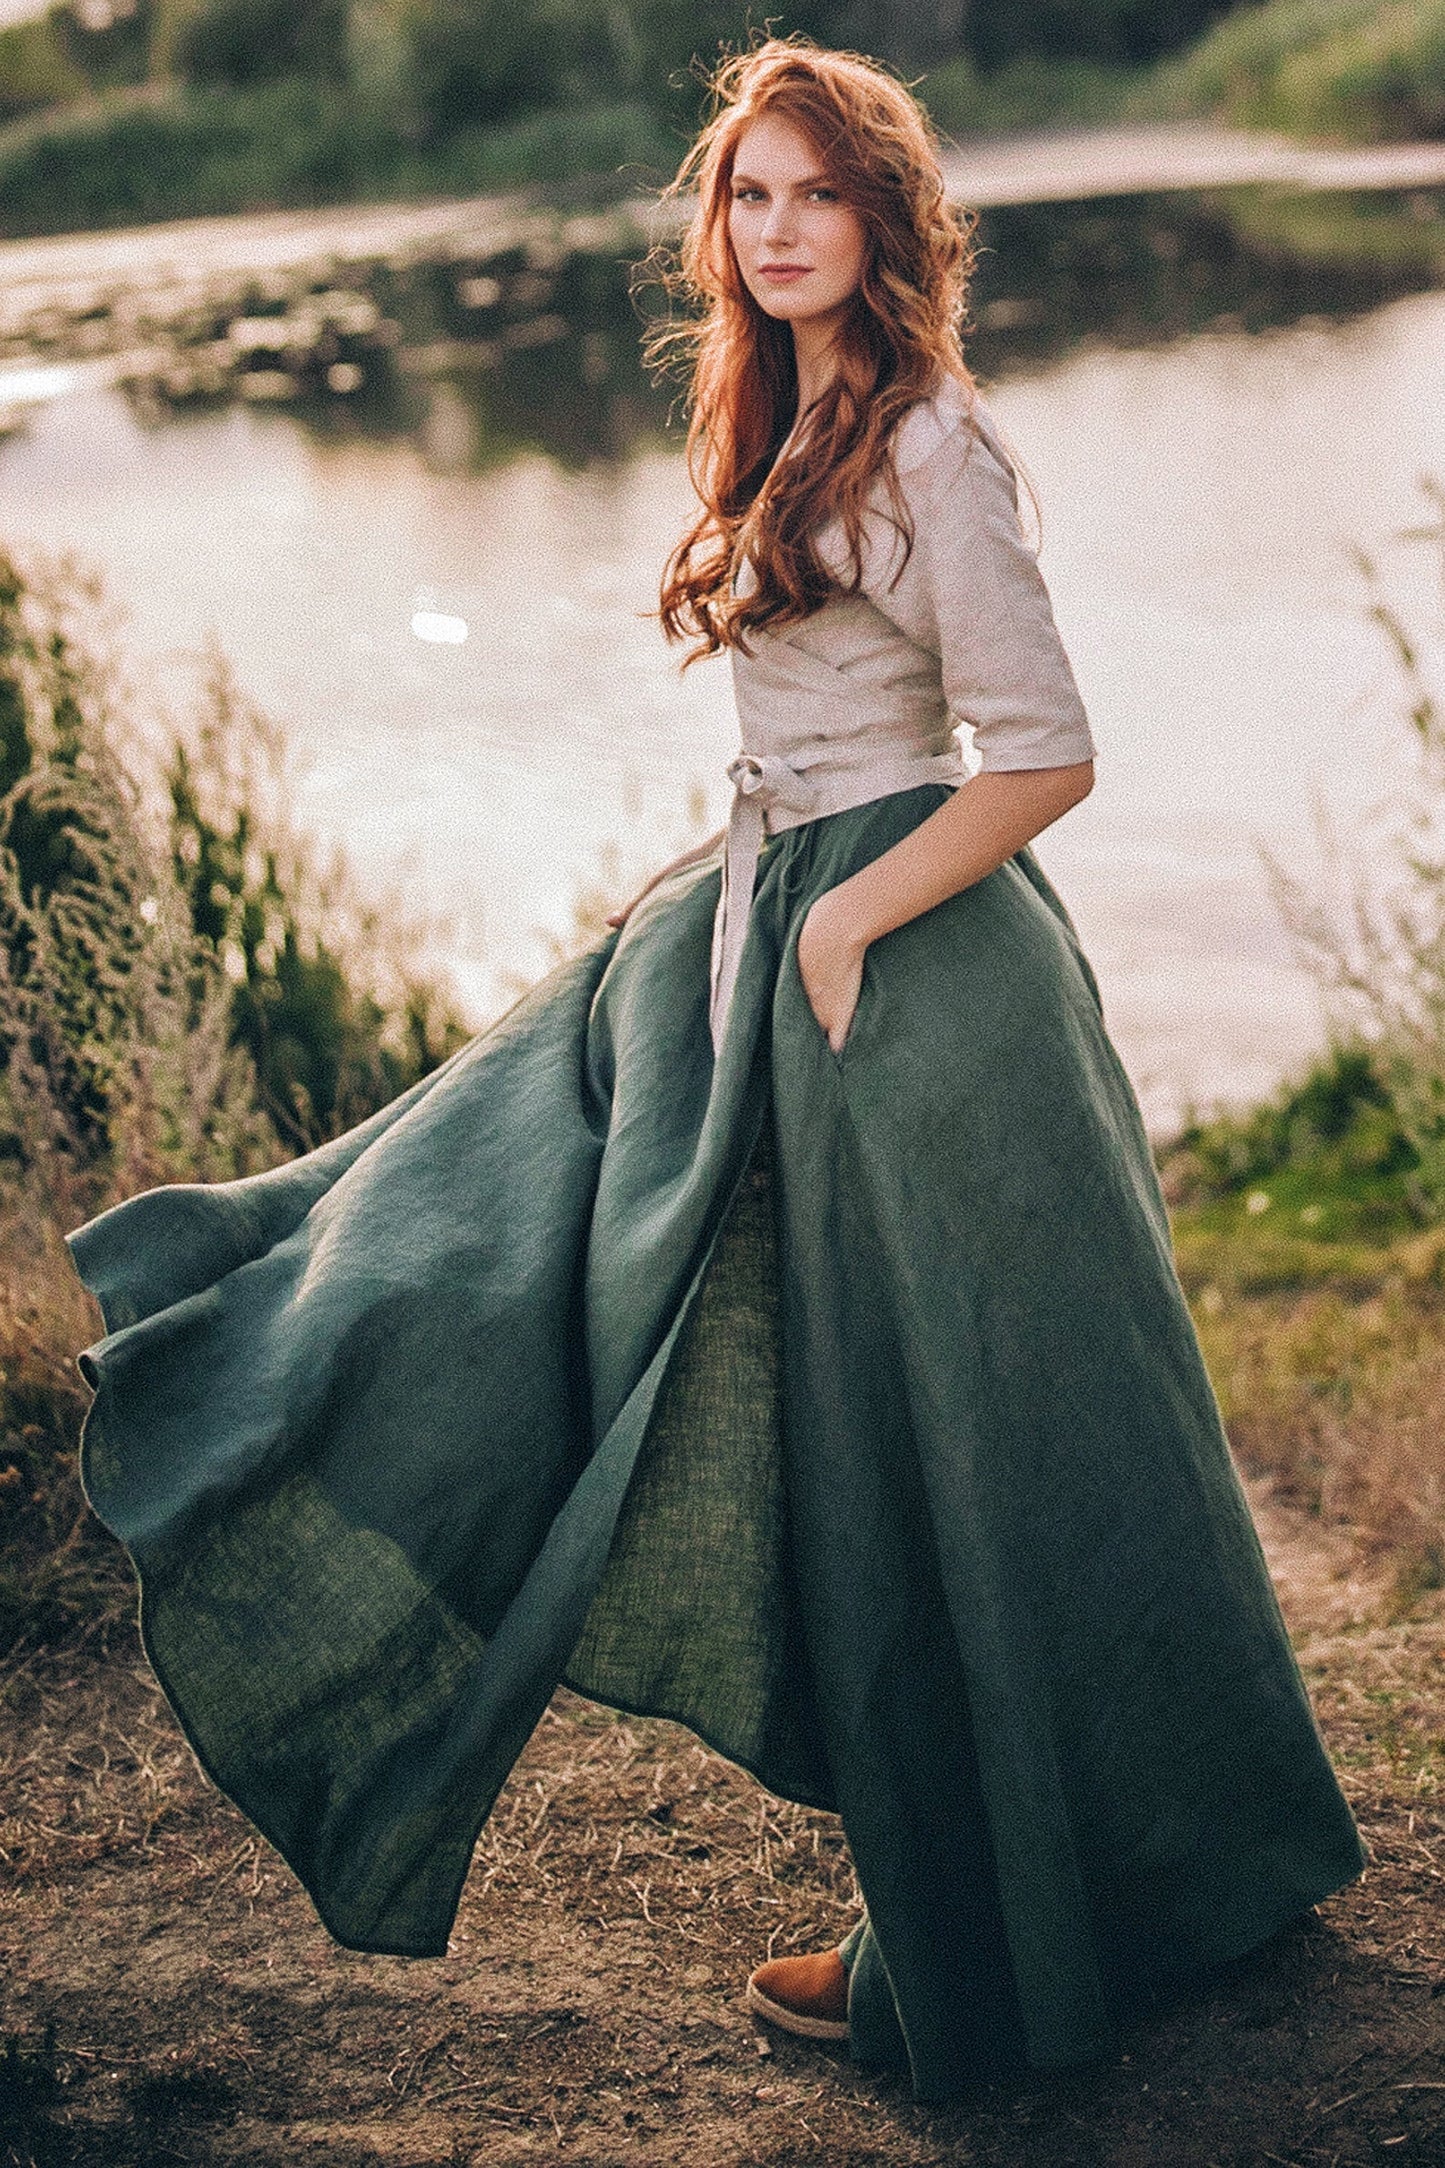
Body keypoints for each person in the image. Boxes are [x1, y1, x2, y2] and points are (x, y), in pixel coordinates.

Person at [67, 38, 1364, 2107]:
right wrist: (728, 895)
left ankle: (1061, 1908)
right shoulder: (783, 419)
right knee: (627, 1285)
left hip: (930, 1016)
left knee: (980, 1460)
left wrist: (844, 917)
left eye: (811, 196)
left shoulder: (934, 437)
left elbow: (1042, 749)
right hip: (799, 944)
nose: (774, 232)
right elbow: (812, 746)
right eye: (746, 199)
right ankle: (1082, 1873)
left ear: (882, 216)